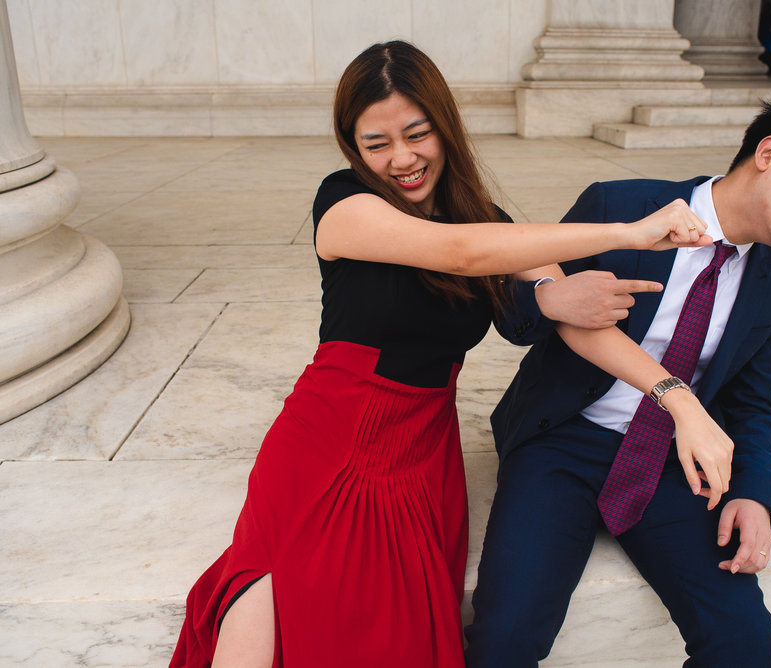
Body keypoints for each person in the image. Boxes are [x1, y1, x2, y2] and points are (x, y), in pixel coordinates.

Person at [170, 40, 734, 668]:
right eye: (376, 143)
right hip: (332, 433)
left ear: (445, 125)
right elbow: (458, 254)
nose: (402, 159)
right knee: (275, 581)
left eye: (417, 133)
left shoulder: (484, 220)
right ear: (352, 148)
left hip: (422, 447)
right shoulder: (343, 203)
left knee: (400, 634)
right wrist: (629, 234)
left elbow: (575, 318)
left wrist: (677, 399)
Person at [466, 94, 771, 667]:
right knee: (505, 638)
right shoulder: (624, 205)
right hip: (561, 440)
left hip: (666, 462)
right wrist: (550, 297)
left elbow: (753, 403)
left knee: (743, 644)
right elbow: (516, 316)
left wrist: (756, 494)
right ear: (769, 152)